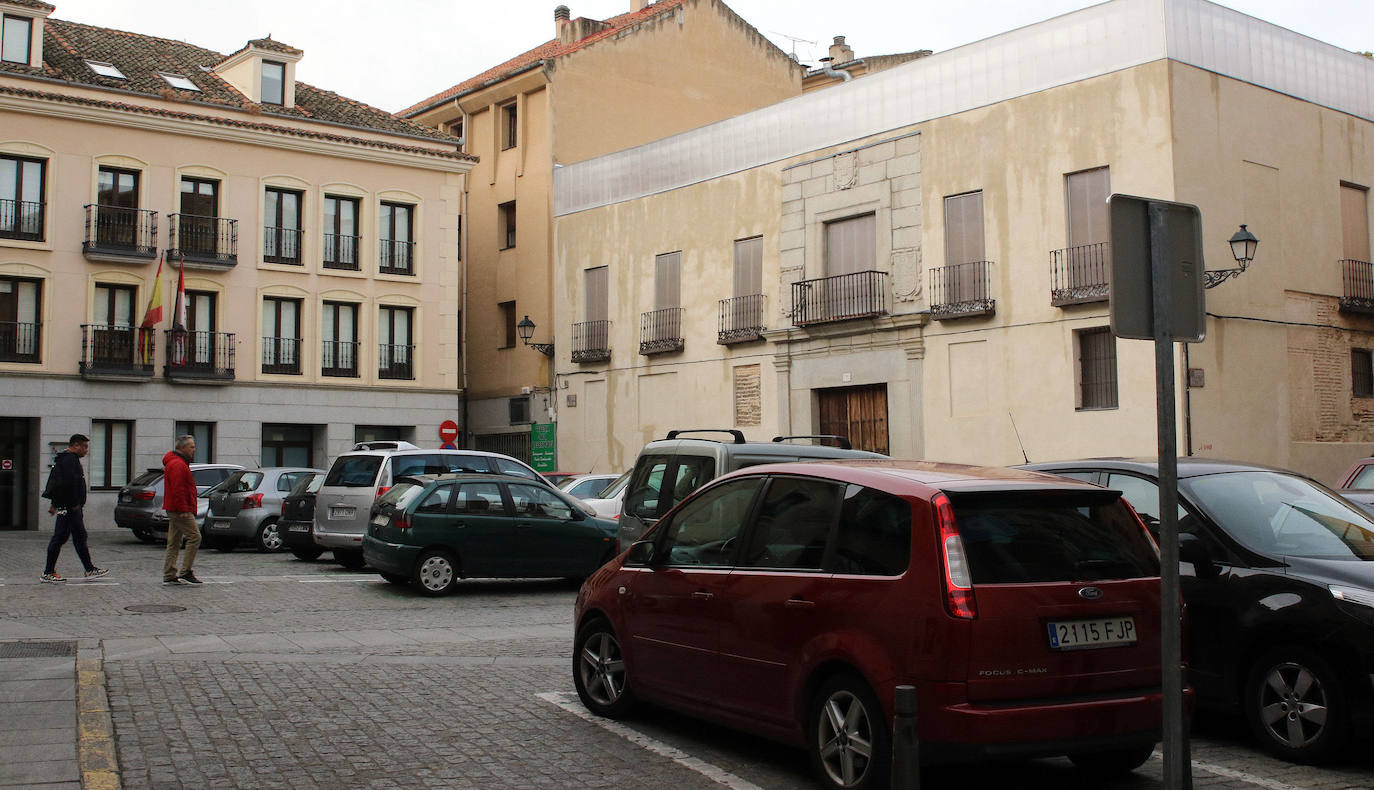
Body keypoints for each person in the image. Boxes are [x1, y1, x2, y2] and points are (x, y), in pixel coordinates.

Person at [40, 434, 108, 583]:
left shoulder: (65, 459)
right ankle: (48, 572)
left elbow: (57, 483)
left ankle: (89, 569)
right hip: (70, 508)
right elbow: (66, 484)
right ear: (76, 445)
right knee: (60, 538)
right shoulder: (69, 460)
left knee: (79, 537)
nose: (86, 450)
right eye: (84, 447)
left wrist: (54, 504)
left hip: (68, 506)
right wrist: (73, 504)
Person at [162, 435, 202, 585]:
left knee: (174, 541)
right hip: (179, 509)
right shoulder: (178, 464)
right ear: (182, 448)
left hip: (174, 507)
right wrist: (184, 508)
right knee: (195, 537)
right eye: (191, 447)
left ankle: (169, 573)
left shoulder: (176, 462)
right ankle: (186, 571)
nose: (194, 450)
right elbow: (178, 489)